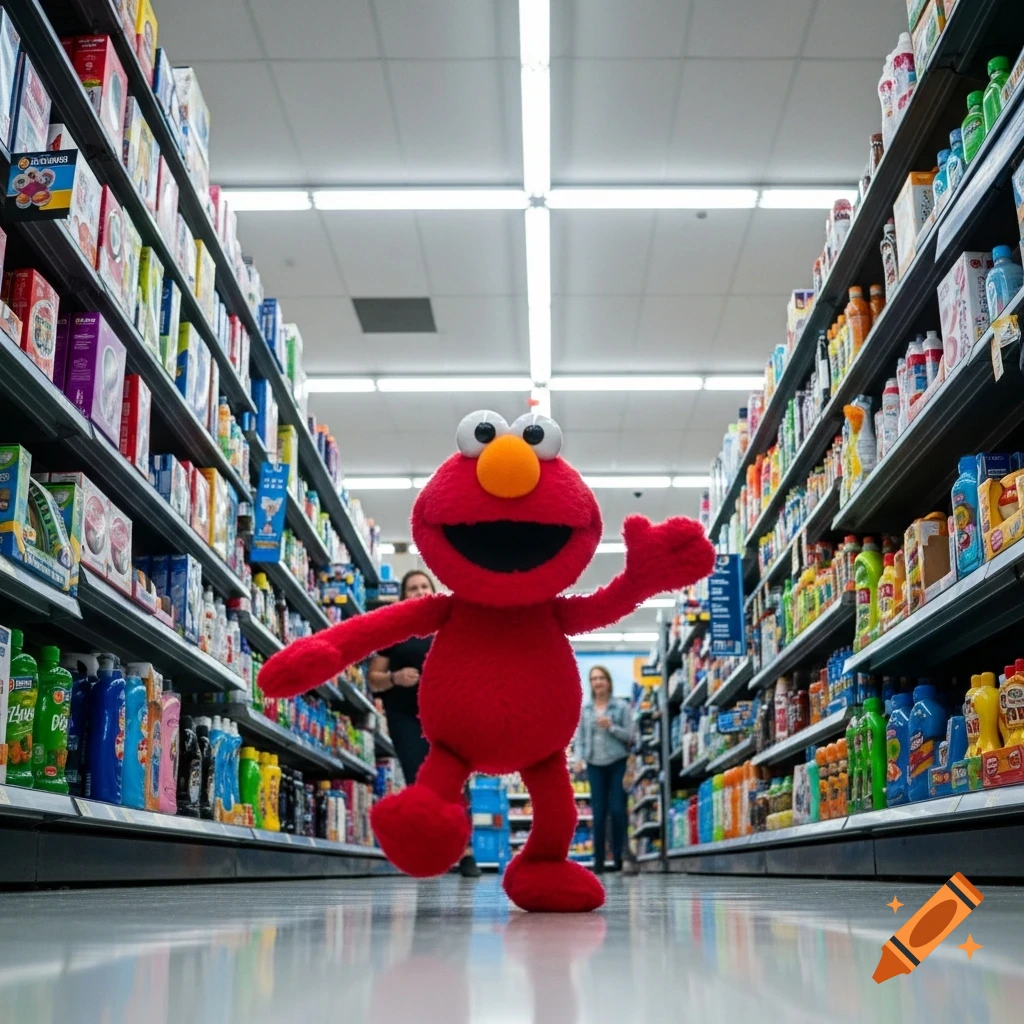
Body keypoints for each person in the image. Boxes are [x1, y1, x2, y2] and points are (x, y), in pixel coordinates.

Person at [368, 569, 481, 878]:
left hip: (447, 715)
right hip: (405, 717)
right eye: (412, 588)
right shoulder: (394, 629)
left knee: (456, 780)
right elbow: (374, 680)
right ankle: (431, 854)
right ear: (404, 596)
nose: (418, 591)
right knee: (420, 782)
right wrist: (394, 677)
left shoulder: (450, 626)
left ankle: (465, 851)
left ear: (434, 590)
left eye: (423, 586)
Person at [575, 666, 630, 873]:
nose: (598, 682)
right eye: (594, 678)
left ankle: (617, 858)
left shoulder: (621, 707)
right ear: (590, 683)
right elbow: (580, 738)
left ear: (608, 681)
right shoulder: (586, 710)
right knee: (598, 812)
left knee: (617, 810)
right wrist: (579, 759)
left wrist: (612, 727)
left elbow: (630, 737)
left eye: (601, 678)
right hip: (594, 764)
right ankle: (598, 862)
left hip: (617, 762)